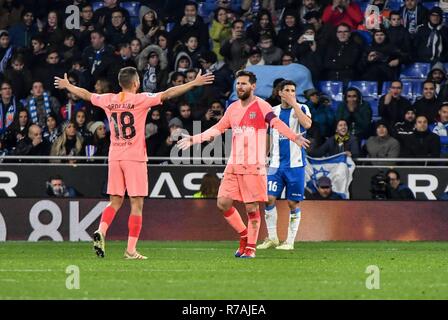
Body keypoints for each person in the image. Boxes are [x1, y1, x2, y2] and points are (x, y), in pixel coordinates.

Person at [54, 67, 214, 260]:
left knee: (115, 201)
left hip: (115, 156)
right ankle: (130, 250)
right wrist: (193, 83)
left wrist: (68, 85)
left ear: (121, 83)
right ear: (136, 83)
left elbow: (87, 95)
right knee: (136, 204)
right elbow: (168, 93)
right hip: (134, 157)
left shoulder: (109, 99)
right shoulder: (141, 99)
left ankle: (101, 230)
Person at [177, 70, 310, 259]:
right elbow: (218, 128)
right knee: (222, 203)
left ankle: (251, 248)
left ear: (253, 86)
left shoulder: (263, 106)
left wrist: (293, 136)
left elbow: (276, 124)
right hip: (234, 164)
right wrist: (195, 139)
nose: (240, 87)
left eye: (244, 84)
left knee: (251, 208)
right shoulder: (232, 108)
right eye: (238, 83)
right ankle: (244, 235)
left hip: (253, 165)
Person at [256, 80, 312, 251]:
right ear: (279, 93)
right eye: (286, 90)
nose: (290, 92)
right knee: (268, 199)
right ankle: (272, 238)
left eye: (293, 90)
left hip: (295, 165)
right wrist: (262, 157)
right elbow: (268, 135)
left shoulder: (302, 108)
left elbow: (307, 124)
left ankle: (289, 241)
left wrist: (294, 103)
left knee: (292, 203)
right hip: (275, 164)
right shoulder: (273, 111)